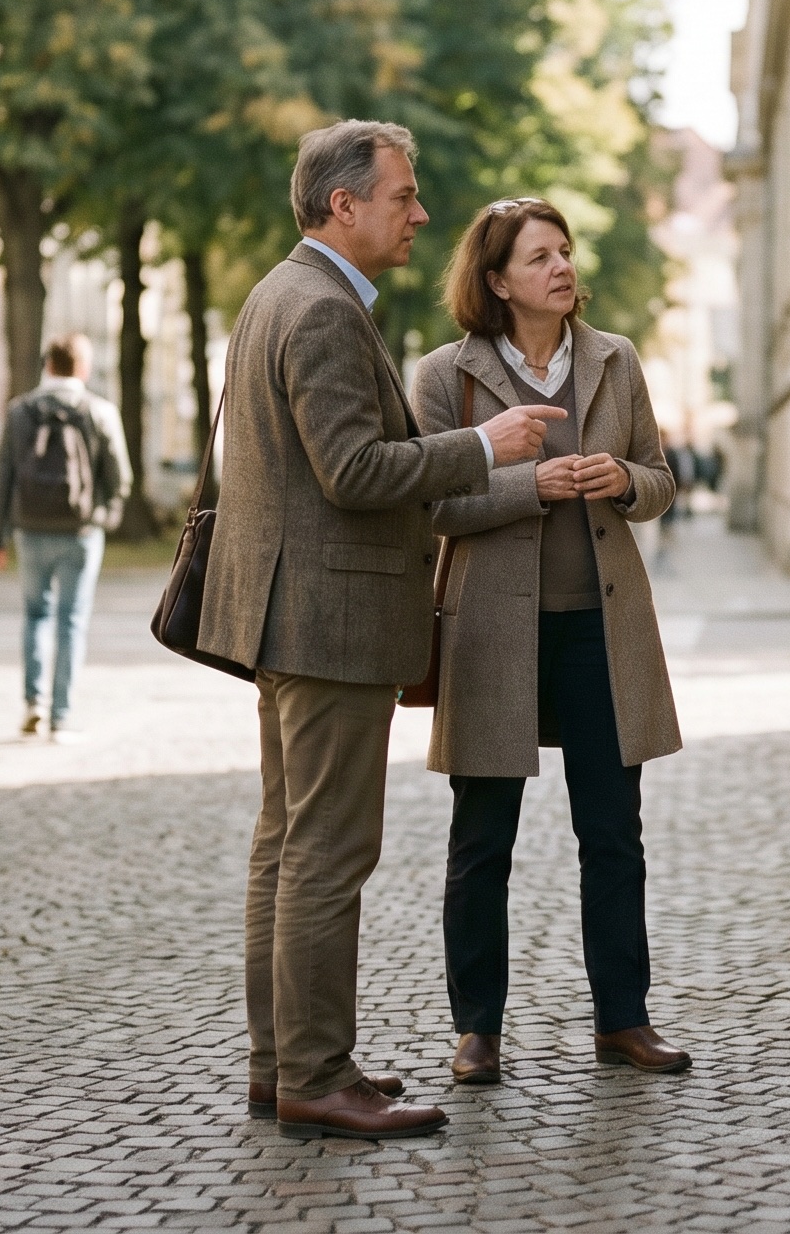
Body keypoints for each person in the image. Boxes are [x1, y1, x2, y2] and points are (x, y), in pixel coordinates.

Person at [196, 118, 562, 1141]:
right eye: (403, 197)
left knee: (286, 847)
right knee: (325, 852)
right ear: (343, 204)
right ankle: (314, 1076)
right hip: (330, 623)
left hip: (293, 617)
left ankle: (285, 1062)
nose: (421, 215)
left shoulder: (281, 293)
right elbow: (352, 471)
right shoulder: (320, 309)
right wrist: (480, 445)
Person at [414, 198, 689, 1089]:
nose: (563, 268)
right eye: (539, 258)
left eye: (565, 252)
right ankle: (477, 1031)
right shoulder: (445, 376)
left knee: (613, 834)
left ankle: (624, 1019)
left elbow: (661, 480)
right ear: (497, 281)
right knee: (481, 838)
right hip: (491, 631)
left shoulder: (616, 360)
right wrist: (530, 486)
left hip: (601, 627)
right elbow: (433, 504)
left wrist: (624, 480)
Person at [0, 332, 131, 740]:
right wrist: (104, 517)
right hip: (81, 531)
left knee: (35, 615)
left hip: (30, 529)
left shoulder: (20, 411)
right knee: (72, 620)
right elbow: (120, 477)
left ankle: (34, 702)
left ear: (47, 365)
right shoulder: (99, 411)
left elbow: (1, 478)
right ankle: (61, 715)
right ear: (83, 368)